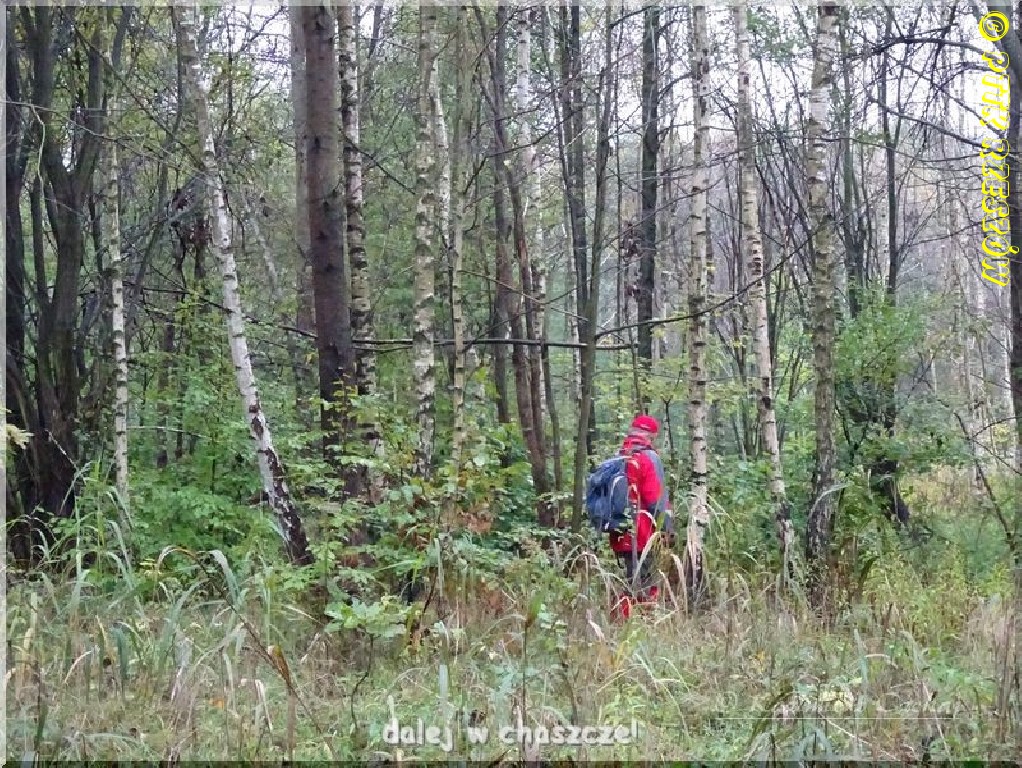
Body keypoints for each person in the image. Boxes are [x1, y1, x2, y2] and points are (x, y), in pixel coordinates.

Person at [609, 414, 672, 621]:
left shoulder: (619, 456)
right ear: (652, 436)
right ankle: (638, 625)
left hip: (620, 532)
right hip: (644, 534)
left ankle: (621, 622)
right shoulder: (648, 457)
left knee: (631, 580)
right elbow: (656, 500)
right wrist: (667, 529)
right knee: (645, 585)